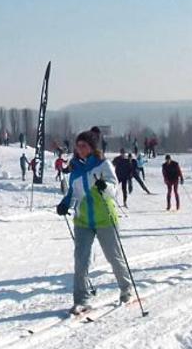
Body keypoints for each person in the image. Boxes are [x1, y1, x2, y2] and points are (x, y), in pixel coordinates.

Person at [56, 130, 134, 315]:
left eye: (84, 146)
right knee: (81, 260)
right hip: (83, 220)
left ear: (92, 147)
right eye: (78, 145)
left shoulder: (103, 165)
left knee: (114, 257)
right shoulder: (75, 168)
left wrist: (104, 186)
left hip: (104, 218)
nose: (80, 149)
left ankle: (126, 289)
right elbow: (73, 193)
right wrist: (65, 203)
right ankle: (81, 300)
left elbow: (113, 190)